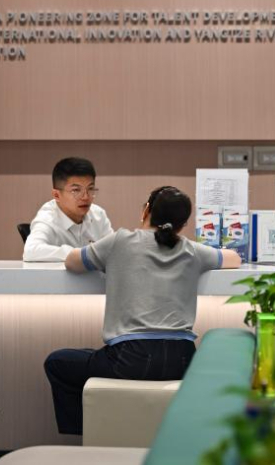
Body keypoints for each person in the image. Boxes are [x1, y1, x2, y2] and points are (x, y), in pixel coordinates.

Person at [44, 185, 241, 435]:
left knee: (58, 362)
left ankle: (87, 436)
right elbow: (233, 258)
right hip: (183, 359)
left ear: (146, 210)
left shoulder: (120, 241)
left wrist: (106, 260)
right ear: (182, 224)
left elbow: (72, 261)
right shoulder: (191, 249)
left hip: (130, 358)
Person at [22, 157, 113, 262]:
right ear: (56, 195)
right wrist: (81, 254)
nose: (85, 197)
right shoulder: (47, 218)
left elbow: (114, 251)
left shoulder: (98, 214)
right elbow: (30, 251)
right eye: (76, 190)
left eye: (90, 189)